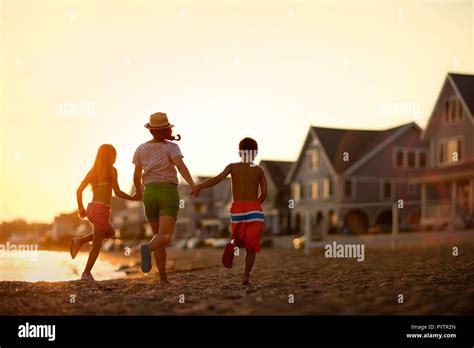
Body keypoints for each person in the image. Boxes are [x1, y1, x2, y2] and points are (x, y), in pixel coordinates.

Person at [192, 137, 267, 285]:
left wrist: (198, 186)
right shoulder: (259, 170)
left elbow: (216, 180)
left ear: (240, 153)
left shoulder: (232, 167)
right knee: (251, 247)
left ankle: (233, 244)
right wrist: (255, 205)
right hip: (254, 210)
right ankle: (245, 277)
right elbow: (264, 193)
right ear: (255, 153)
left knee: (237, 237)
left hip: (238, 209)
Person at [133, 112, 195, 284]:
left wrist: (138, 191)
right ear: (167, 128)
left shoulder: (140, 149)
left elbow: (136, 175)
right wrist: (192, 184)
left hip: (149, 194)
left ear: (151, 131)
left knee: (158, 237)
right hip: (167, 192)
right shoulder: (171, 147)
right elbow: (181, 166)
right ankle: (147, 248)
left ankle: (163, 278)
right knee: (165, 237)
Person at [72, 144, 138, 281]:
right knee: (97, 245)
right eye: (114, 155)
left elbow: (79, 190)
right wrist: (132, 198)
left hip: (91, 209)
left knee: (110, 232)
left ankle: (80, 241)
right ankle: (86, 274)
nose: (115, 158)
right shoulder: (111, 170)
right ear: (110, 156)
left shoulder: (93, 170)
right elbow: (118, 192)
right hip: (101, 210)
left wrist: (81, 208)